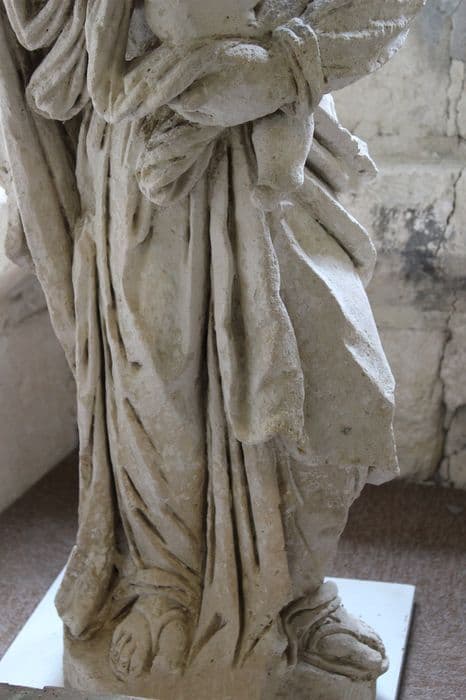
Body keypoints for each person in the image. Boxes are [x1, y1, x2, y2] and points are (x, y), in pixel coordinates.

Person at [0, 0, 424, 691]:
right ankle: (161, 585)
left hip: (278, 131)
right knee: (159, 395)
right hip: (148, 152)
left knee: (342, 389)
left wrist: (284, 67)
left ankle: (298, 594)